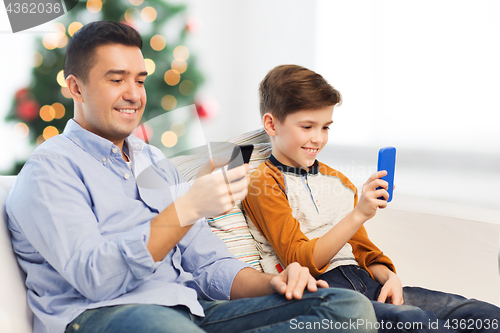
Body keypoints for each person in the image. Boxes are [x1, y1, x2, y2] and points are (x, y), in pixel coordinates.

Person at [5, 22, 379, 333]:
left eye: (139, 80)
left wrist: (272, 283)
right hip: (102, 315)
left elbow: (208, 265)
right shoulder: (50, 169)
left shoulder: (153, 161)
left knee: (345, 308)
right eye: (117, 80)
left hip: (190, 312)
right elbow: (95, 277)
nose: (134, 94)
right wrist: (186, 208)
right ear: (75, 87)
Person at [242, 64, 500, 333]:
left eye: (326, 127)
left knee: (481, 313)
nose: (318, 139)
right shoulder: (262, 182)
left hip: (365, 281)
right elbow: (299, 259)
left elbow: (362, 249)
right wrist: (358, 215)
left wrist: (389, 276)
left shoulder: (337, 180)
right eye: (307, 126)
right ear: (271, 124)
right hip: (326, 295)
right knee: (416, 322)